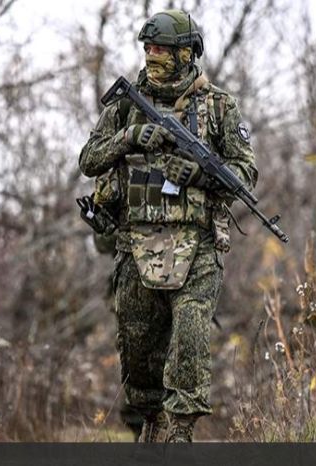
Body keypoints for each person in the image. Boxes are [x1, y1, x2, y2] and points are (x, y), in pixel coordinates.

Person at [78, 9, 258, 443]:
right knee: (138, 351)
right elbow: (89, 159)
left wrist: (198, 174)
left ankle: (180, 432)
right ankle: (150, 422)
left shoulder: (218, 105)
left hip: (197, 246)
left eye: (161, 48)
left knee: (190, 338)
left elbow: (245, 172)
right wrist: (128, 139)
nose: (152, 55)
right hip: (135, 244)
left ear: (187, 53)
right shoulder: (125, 105)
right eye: (148, 48)